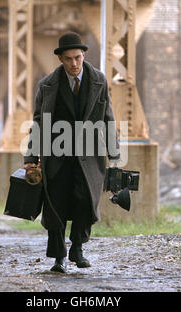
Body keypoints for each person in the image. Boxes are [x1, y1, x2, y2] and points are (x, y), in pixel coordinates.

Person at [23, 31, 120, 273]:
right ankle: (59, 257)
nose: (74, 63)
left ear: (84, 55)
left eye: (78, 57)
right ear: (60, 59)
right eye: (68, 59)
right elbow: (38, 123)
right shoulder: (47, 85)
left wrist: (115, 154)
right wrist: (31, 157)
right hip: (56, 153)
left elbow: (108, 119)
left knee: (85, 200)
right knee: (55, 204)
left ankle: (78, 247)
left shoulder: (99, 80)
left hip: (89, 153)